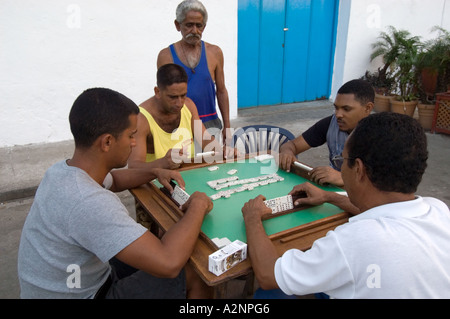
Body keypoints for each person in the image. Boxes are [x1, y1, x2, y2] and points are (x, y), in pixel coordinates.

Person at [18, 88, 213, 298]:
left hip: (74, 280)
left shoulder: (63, 171)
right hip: (87, 293)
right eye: (131, 135)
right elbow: (169, 263)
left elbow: (116, 180)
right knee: (196, 271)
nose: (134, 142)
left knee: (166, 242)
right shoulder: (89, 201)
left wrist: (153, 171)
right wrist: (198, 205)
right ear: (108, 142)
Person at [242, 112, 450, 298]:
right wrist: (328, 197)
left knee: (272, 294)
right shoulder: (439, 210)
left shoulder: (354, 240)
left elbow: (269, 274)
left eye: (343, 160)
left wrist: (252, 217)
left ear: (358, 169)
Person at [128, 63, 225, 171]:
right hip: (155, 182)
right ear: (158, 92)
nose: (179, 103)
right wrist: (163, 163)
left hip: (186, 175)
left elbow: (205, 139)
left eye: (183, 95)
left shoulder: (189, 105)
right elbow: (134, 167)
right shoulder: (141, 119)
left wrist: (222, 152)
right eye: (173, 97)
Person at [157, 0, 230, 143]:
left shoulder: (214, 53)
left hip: (210, 125)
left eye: (199, 26)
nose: (195, 31)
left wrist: (227, 124)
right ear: (178, 25)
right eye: (189, 25)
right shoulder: (166, 56)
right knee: (183, 164)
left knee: (211, 163)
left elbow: (221, 91)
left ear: (204, 26)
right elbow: (163, 96)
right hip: (179, 128)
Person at [278, 79, 374, 187]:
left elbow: (381, 187)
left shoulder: (383, 136)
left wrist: (342, 177)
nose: (338, 114)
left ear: (368, 108)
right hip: (333, 189)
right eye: (336, 108)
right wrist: (287, 152)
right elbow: (292, 145)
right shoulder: (331, 124)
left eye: (346, 109)